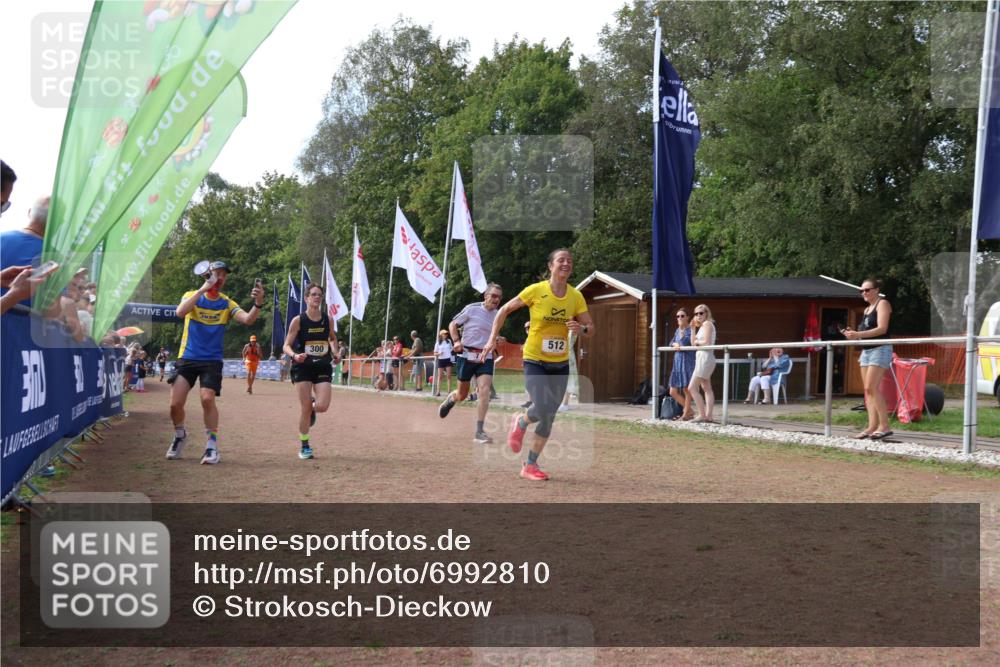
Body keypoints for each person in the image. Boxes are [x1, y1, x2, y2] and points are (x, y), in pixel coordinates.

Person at [481, 249, 594, 481]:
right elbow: (504, 309)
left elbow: (591, 328)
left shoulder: (575, 296)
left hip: (560, 363)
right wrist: (492, 339)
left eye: (569, 261)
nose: (566, 263)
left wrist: (581, 329)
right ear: (551, 265)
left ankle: (530, 465)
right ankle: (521, 421)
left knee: (549, 415)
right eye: (561, 260)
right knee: (542, 406)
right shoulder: (536, 290)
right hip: (535, 360)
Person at [165, 260, 264, 465]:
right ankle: (180, 435)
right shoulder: (191, 295)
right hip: (188, 358)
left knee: (207, 398)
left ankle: (211, 446)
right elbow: (180, 312)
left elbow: (248, 320)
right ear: (207, 275)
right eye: (217, 274)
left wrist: (258, 303)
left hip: (211, 360)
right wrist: (203, 289)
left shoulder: (226, 303)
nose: (220, 278)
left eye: (224, 275)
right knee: (175, 404)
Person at [438, 283, 506, 444]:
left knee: (484, 391)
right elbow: (453, 324)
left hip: (485, 356)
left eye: (499, 297)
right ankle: (452, 398)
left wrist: (497, 339)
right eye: (493, 296)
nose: (496, 299)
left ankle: (479, 431)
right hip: (466, 354)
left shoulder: (499, 315)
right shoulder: (472, 309)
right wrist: (456, 341)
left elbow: (492, 335)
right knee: (462, 395)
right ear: (485, 296)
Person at [283, 283, 337, 460]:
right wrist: (294, 355)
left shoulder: (328, 319)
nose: (317, 297)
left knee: (322, 406)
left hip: (322, 366)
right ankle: (305, 446)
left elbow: (332, 339)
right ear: (306, 298)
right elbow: (286, 345)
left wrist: (336, 352)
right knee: (304, 407)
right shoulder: (298, 320)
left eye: (319, 295)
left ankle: (313, 408)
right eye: (313, 294)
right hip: (303, 366)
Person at [843, 277, 894, 440]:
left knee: (871, 388)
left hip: (880, 349)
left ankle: (884, 426)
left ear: (876, 290)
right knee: (867, 390)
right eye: (861, 290)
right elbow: (865, 333)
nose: (863, 293)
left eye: (867, 290)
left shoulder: (883, 304)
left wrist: (858, 334)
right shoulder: (866, 310)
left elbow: (882, 328)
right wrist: (853, 334)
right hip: (866, 351)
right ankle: (872, 426)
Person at [688, 304, 717, 423]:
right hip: (702, 357)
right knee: (706, 388)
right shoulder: (702, 326)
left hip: (705, 358)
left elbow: (707, 342)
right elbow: (692, 344)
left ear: (706, 313)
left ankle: (702, 415)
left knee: (692, 387)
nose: (698, 315)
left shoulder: (707, 324)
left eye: (701, 313)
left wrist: (697, 343)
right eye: (696, 314)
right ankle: (708, 416)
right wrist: (692, 328)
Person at [667, 308, 695, 420]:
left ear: (687, 317)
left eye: (682, 316)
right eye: (678, 316)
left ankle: (686, 414)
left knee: (686, 389)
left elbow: (684, 342)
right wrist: (675, 344)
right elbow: (671, 343)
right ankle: (690, 410)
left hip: (687, 361)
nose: (679, 318)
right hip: (678, 362)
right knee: (672, 391)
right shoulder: (677, 330)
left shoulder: (690, 330)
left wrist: (681, 338)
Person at [433, 329, 453, 397]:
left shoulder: (449, 341)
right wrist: (439, 353)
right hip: (441, 360)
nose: (446, 335)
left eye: (446, 334)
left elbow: (452, 349)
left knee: (449, 376)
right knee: (440, 376)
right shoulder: (437, 343)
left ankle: (449, 391)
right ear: (441, 335)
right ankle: (438, 392)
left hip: (448, 359)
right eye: (444, 334)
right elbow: (434, 353)